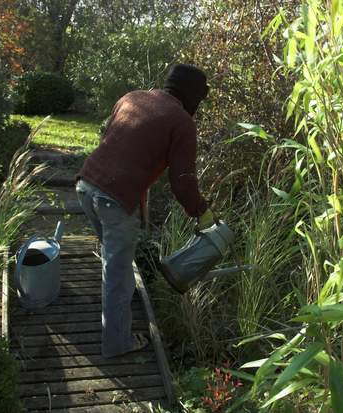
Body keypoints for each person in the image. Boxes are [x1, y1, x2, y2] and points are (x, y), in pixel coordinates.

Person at [75, 64, 215, 358]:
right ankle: (117, 344)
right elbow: (183, 183)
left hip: (86, 186)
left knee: (115, 266)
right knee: (118, 275)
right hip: (115, 201)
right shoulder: (181, 122)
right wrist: (201, 211)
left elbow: (119, 149)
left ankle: (115, 326)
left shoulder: (132, 98)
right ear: (191, 96)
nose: (198, 107)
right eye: (199, 100)